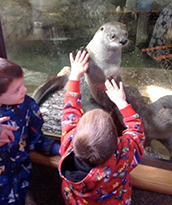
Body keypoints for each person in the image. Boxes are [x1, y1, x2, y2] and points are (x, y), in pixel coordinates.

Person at [58, 49, 145, 205]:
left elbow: (69, 111)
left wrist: (75, 75)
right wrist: (122, 103)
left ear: (75, 132)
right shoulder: (123, 156)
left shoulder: (68, 145)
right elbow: (137, 133)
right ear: (117, 139)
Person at [0, 57, 60, 205]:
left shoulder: (27, 106)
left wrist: (57, 148)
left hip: (21, 177)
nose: (25, 90)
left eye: (22, 84)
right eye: (16, 90)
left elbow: (35, 138)